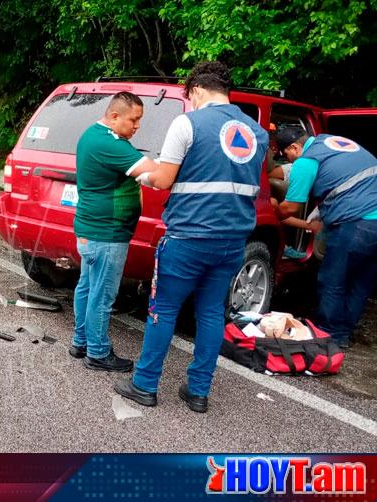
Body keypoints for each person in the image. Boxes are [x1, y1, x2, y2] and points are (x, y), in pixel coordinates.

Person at [114, 61, 268, 413]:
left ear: (196, 90)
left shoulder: (188, 122)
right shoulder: (256, 132)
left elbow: (164, 179)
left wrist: (145, 175)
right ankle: (198, 392)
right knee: (212, 313)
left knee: (163, 309)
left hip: (187, 237)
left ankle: (145, 384)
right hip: (233, 241)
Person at [71, 92, 157, 372]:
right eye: (134, 119)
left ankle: (80, 341)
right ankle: (97, 352)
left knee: (87, 286)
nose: (137, 126)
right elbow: (154, 173)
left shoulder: (90, 135)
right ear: (115, 116)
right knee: (102, 294)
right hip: (106, 234)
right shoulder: (111, 144)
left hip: (90, 229)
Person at [275, 125, 377, 348]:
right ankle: (343, 334)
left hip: (356, 222)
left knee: (333, 279)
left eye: (286, 155)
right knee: (360, 282)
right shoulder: (332, 143)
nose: (288, 161)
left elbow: (291, 207)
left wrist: (270, 209)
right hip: (372, 221)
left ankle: (329, 334)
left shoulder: (307, 160)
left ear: (295, 146)